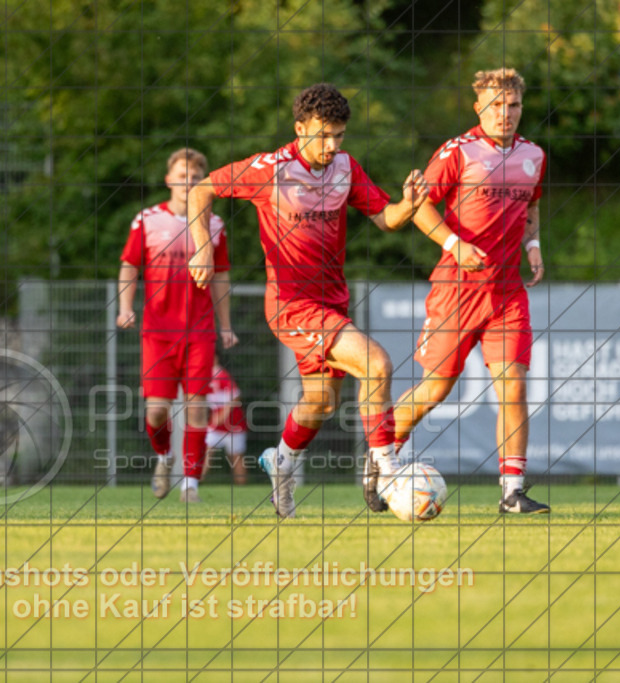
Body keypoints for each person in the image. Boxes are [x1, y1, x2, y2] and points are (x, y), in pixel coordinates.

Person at [187, 83, 427, 518]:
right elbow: (200, 190)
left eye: (339, 135)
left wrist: (409, 205)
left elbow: (385, 219)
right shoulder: (270, 169)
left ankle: (281, 462)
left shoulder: (346, 168)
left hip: (332, 302)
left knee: (321, 403)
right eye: (323, 135)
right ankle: (385, 469)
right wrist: (203, 245)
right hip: (291, 304)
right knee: (376, 364)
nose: (332, 145)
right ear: (300, 129)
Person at [392, 68, 549, 514]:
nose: (505, 114)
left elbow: (532, 204)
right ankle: (380, 455)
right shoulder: (457, 152)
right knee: (435, 390)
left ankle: (512, 491)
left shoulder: (534, 155)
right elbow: (418, 208)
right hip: (457, 291)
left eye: (513, 105)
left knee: (514, 387)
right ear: (478, 107)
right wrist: (453, 244)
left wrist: (533, 245)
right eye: (496, 105)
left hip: (506, 293)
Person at [117, 147, 238, 504]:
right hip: (158, 332)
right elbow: (130, 266)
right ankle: (164, 456)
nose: (189, 182)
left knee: (197, 408)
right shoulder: (148, 220)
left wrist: (226, 325)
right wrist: (125, 307)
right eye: (183, 176)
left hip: (199, 332)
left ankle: (190, 485)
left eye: (196, 178)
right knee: (156, 412)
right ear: (169, 180)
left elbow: (221, 276)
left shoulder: (214, 224)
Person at [203, 355, 248, 485]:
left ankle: (242, 488)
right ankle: (194, 484)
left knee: (236, 457)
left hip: (234, 424)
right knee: (205, 452)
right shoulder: (205, 376)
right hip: (216, 425)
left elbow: (235, 396)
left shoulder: (221, 375)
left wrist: (222, 415)